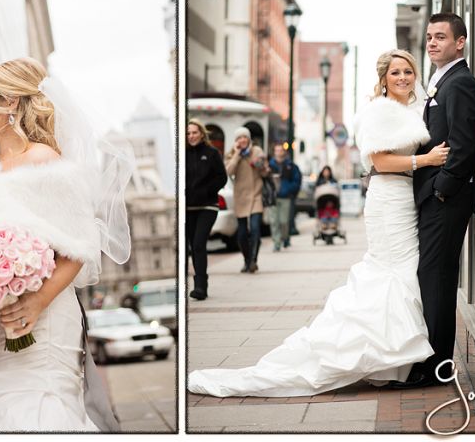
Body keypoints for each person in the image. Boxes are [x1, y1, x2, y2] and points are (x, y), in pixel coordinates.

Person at [188, 49, 450, 398]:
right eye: (395, 73)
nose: (403, 77)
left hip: (406, 199)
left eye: (408, 71)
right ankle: (385, 355)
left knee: (401, 271)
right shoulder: (378, 111)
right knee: (394, 271)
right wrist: (426, 160)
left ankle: (393, 359)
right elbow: (380, 162)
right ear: (384, 79)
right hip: (388, 198)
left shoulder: (414, 110)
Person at [0, 58, 133, 432]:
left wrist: (36, 301)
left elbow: (81, 246)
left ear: (11, 102)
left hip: (45, 315)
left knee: (37, 410)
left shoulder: (46, 161)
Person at [405, 13, 475, 388]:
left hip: (446, 199)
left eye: (440, 37)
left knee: (435, 277)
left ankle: (435, 366)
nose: (432, 43)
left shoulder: (461, 82)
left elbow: (464, 144)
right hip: (436, 197)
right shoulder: (441, 82)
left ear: (460, 42)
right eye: (430, 37)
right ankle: (437, 361)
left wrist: (442, 188)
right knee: (434, 275)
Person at [186, 119, 228, 300]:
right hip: (188, 208)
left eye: (194, 132)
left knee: (198, 243)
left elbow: (222, 177)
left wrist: (207, 191)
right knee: (193, 246)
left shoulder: (212, 153)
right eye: (188, 133)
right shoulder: (183, 155)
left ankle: (200, 286)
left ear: (202, 134)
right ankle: (199, 285)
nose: (191, 136)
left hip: (207, 206)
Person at [225, 127, 269, 273]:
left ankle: (253, 261)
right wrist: (237, 155)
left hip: (256, 195)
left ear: (249, 139)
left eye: (245, 137)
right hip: (241, 197)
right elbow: (229, 171)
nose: (242, 140)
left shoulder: (257, 151)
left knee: (255, 229)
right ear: (236, 141)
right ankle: (247, 259)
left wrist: (258, 163)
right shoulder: (232, 153)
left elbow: (265, 171)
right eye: (239, 138)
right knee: (242, 234)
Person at [268, 144, 301, 251]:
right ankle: (277, 243)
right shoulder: (269, 166)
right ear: (274, 152)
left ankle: (285, 238)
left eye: (280, 150)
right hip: (273, 197)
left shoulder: (290, 165)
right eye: (277, 150)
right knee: (274, 221)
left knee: (284, 221)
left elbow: (297, 181)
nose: (279, 152)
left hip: (285, 197)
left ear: (284, 152)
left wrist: (288, 189)